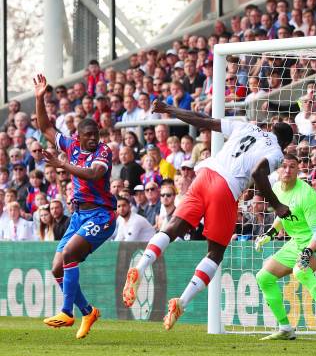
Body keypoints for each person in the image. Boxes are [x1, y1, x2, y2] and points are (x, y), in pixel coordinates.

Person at [122, 99, 294, 331]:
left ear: (270, 128)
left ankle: (141, 267)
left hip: (204, 176)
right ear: (285, 145)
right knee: (215, 252)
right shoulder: (276, 152)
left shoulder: (246, 126)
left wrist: (169, 110)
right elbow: (257, 172)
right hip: (226, 188)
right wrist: (278, 205)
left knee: (172, 227)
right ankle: (181, 302)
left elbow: (203, 120)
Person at [33, 74, 117, 339]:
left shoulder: (103, 152)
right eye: (88, 136)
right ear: (78, 137)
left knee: (69, 254)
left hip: (102, 215)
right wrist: (39, 98)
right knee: (57, 268)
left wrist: (62, 165)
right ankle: (88, 311)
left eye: (96, 135)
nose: (94, 139)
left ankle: (67, 312)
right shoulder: (70, 146)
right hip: (79, 216)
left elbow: (92, 175)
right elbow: (46, 127)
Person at [254, 154, 316, 341]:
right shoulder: (276, 190)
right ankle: (285, 328)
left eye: (292, 167)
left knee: (301, 271)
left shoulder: (306, 194)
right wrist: (269, 234)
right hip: (298, 241)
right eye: (284, 166)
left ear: (298, 170)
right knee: (263, 277)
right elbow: (283, 216)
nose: (287, 170)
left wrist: (307, 252)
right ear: (279, 170)